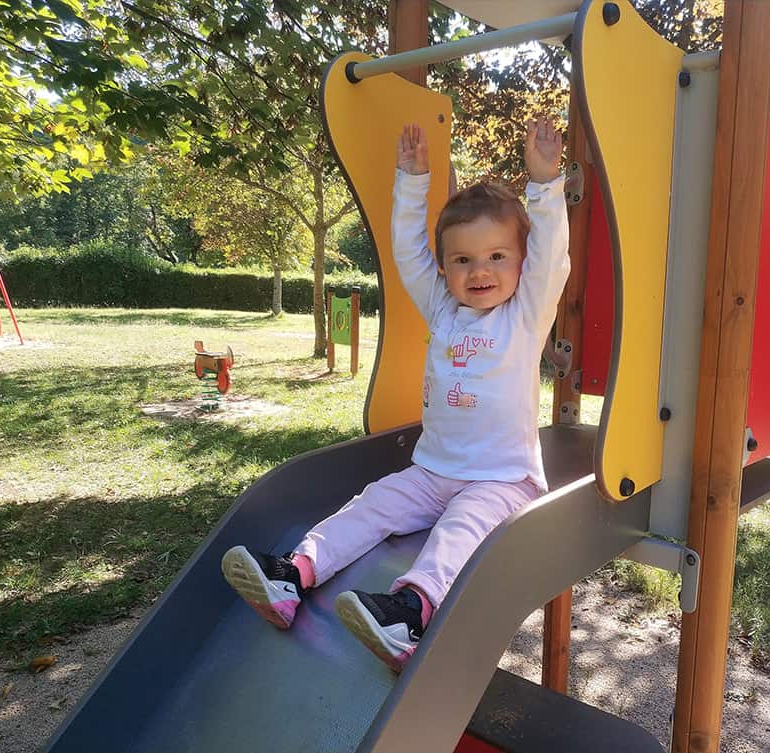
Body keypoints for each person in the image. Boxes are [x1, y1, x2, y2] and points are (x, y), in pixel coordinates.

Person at [222, 117, 570, 672]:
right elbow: (407, 252)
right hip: (433, 470)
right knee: (373, 504)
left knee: (458, 536)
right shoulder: (442, 307)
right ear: (446, 268)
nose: (479, 270)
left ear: (521, 264)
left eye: (496, 256)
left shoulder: (525, 317)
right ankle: (294, 574)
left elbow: (552, 255)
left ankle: (409, 613)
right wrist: (412, 183)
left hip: (502, 479)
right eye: (462, 260)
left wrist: (545, 183)